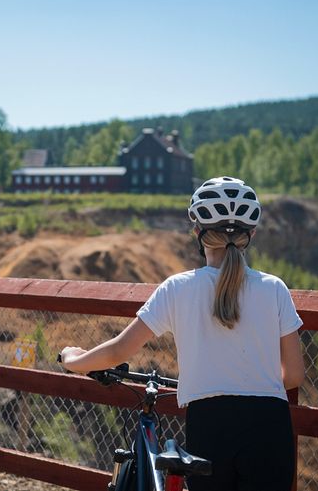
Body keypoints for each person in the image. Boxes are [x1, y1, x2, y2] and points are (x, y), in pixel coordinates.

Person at [60, 176, 305, 491]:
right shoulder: (275, 288)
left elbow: (118, 351)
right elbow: (295, 375)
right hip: (270, 425)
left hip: (210, 423)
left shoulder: (178, 288)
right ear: (251, 234)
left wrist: (74, 360)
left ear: (197, 232)